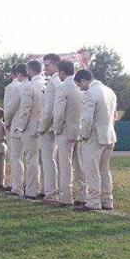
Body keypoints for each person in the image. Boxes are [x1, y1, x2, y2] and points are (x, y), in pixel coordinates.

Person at [75, 70, 118, 212]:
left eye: (79, 84)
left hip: (94, 136)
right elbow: (114, 115)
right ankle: (107, 200)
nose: (80, 88)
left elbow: (87, 119)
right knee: (104, 170)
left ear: (83, 80)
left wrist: (84, 135)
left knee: (91, 170)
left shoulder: (90, 93)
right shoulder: (110, 91)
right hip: (109, 135)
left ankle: (93, 201)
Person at [52, 60, 87, 206]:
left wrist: (57, 128)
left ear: (61, 72)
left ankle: (66, 197)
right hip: (80, 129)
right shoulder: (82, 86)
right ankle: (82, 195)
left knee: (64, 165)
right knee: (79, 165)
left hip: (66, 130)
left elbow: (59, 112)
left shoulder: (62, 87)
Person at [12, 60, 47, 199]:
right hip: (44, 127)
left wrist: (20, 127)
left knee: (30, 159)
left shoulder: (30, 86)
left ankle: (32, 190)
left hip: (31, 127)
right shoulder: (46, 84)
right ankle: (45, 188)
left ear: (30, 70)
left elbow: (25, 109)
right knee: (45, 160)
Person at [37, 54, 62, 203]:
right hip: (56, 126)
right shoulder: (57, 81)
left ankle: (51, 193)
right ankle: (51, 190)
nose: (44, 69)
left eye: (47, 65)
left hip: (50, 128)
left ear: (56, 65)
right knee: (53, 161)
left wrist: (42, 127)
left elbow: (49, 108)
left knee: (48, 161)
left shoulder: (54, 82)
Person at [2, 64, 27, 195]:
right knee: (30, 158)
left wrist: (7, 120)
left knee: (16, 157)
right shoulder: (38, 85)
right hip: (30, 126)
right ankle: (29, 185)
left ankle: (16, 186)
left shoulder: (13, 86)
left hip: (16, 124)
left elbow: (10, 106)